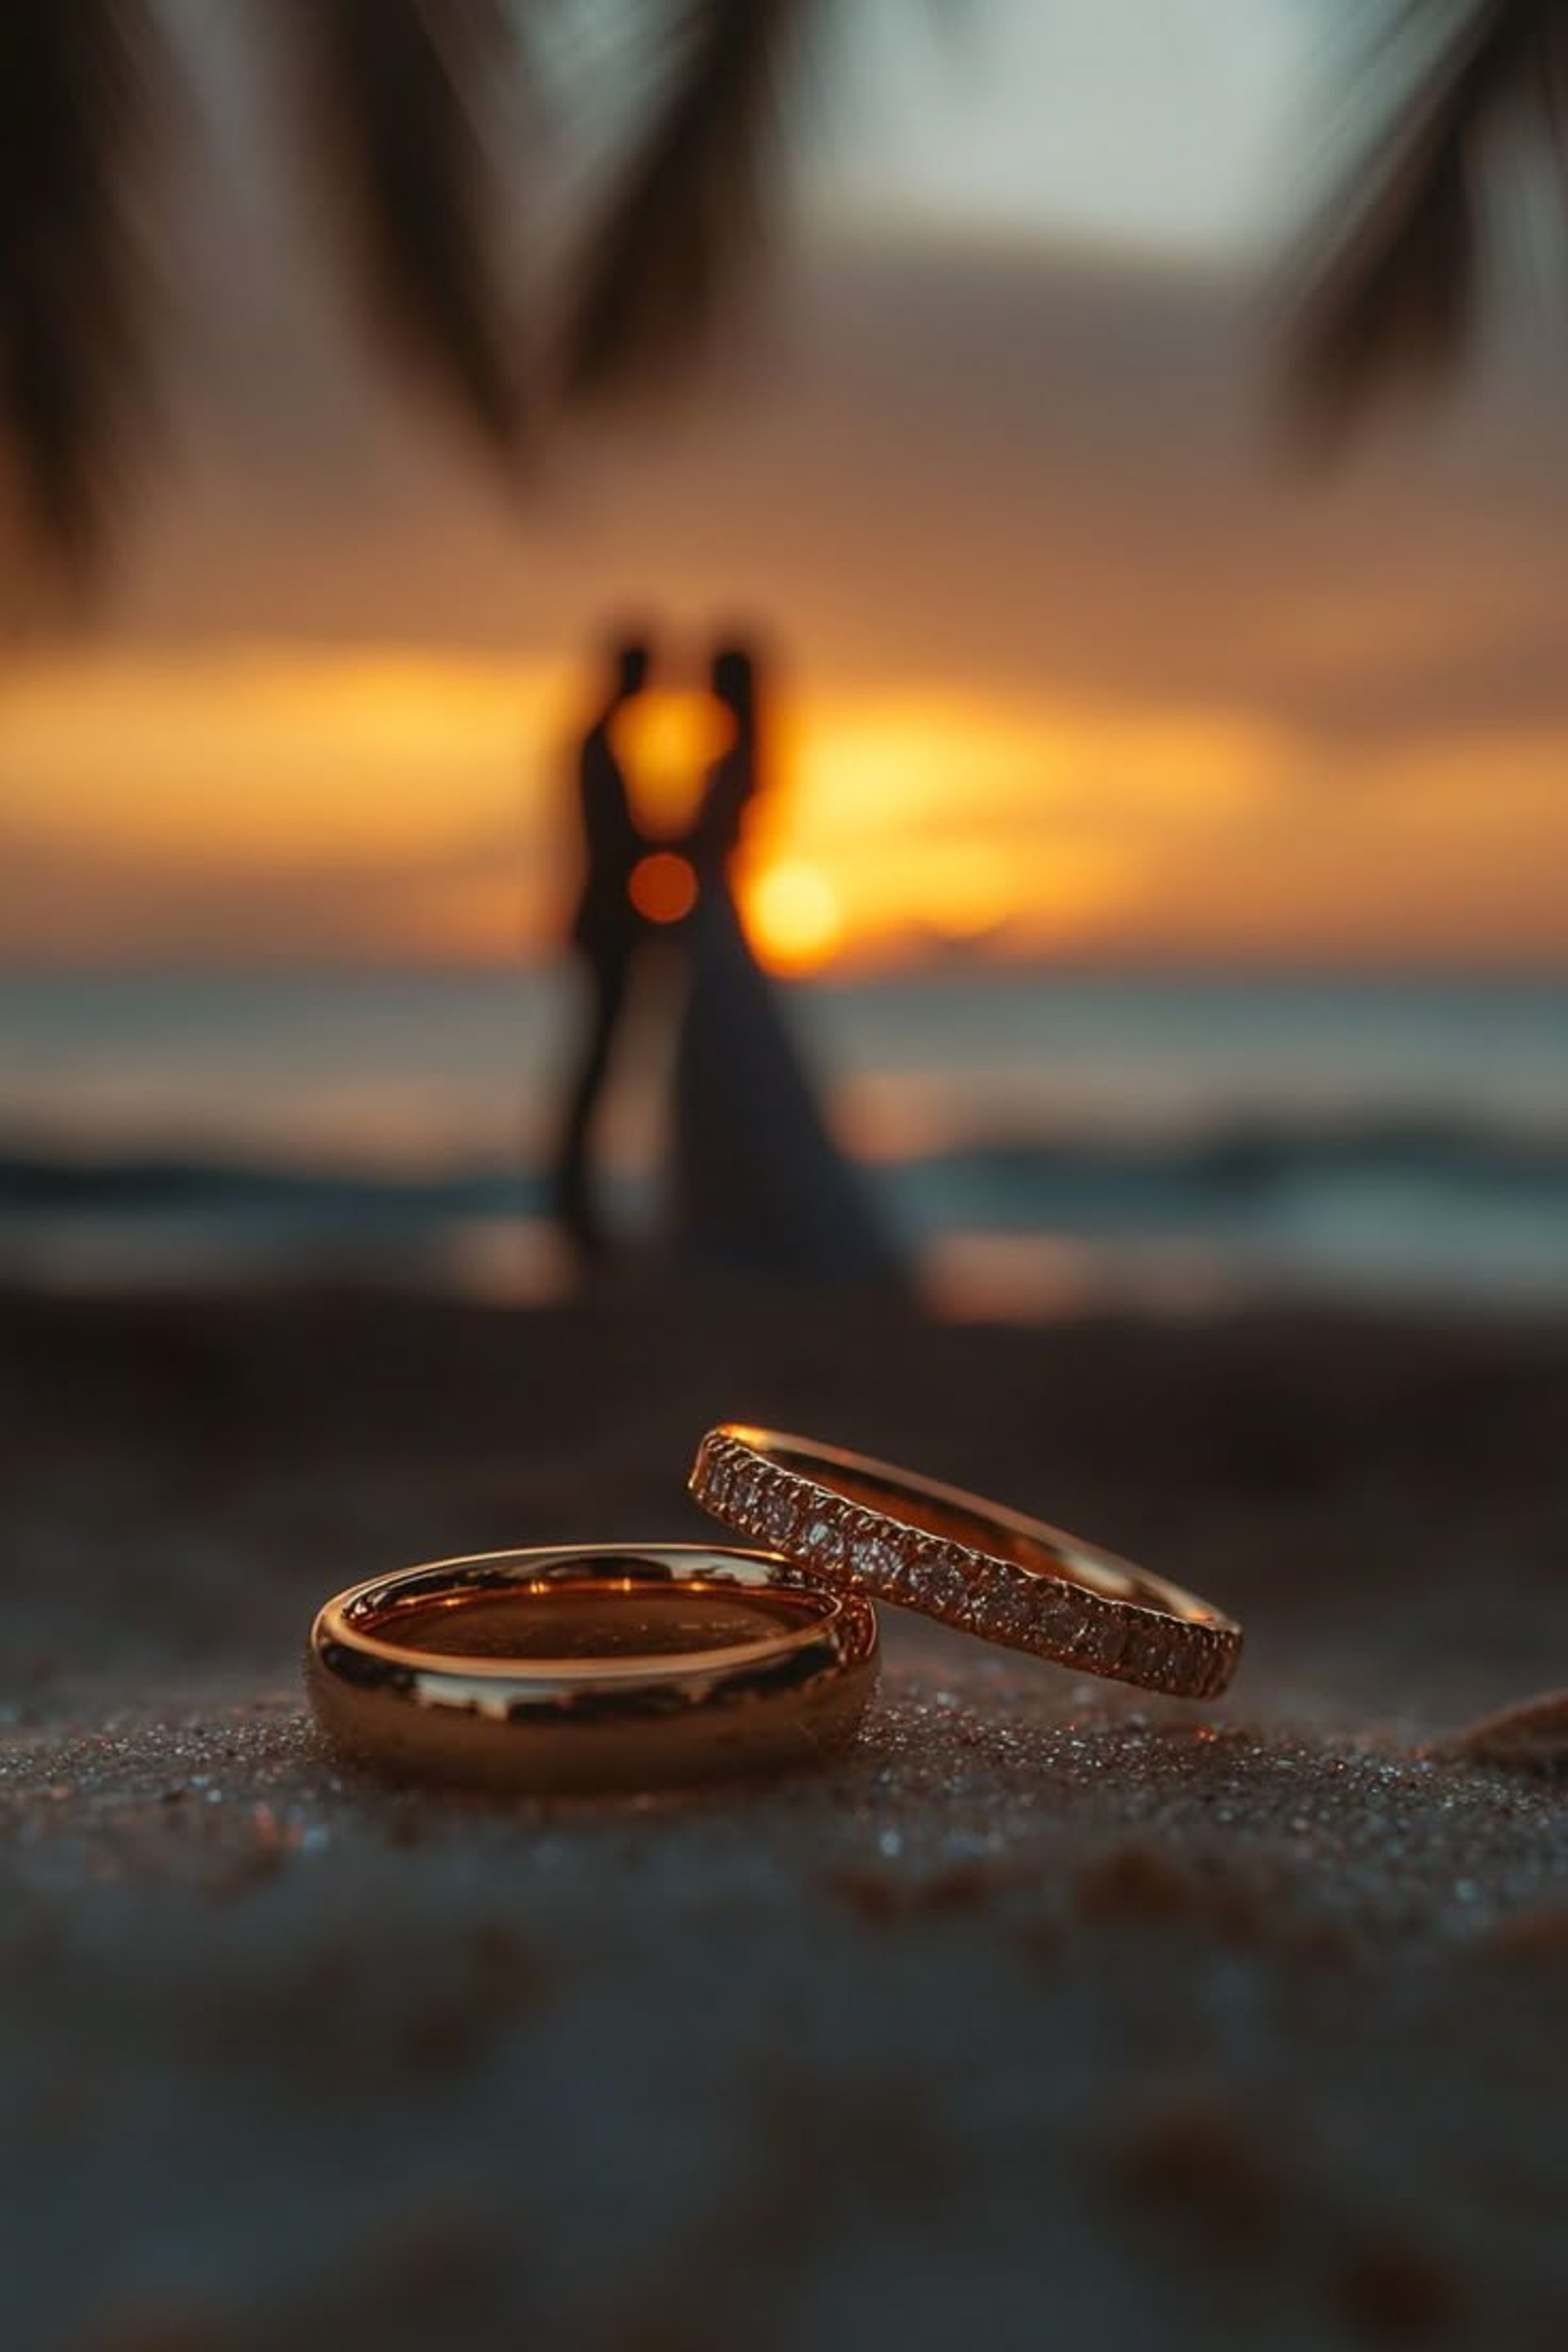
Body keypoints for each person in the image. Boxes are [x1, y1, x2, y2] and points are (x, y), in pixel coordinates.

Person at [670, 639, 903, 1284]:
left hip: (715, 919)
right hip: (714, 921)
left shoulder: (738, 759)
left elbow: (706, 843)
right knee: (726, 1071)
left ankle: (750, 1225)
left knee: (732, 1068)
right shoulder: (744, 757)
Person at [548, 630, 653, 1258]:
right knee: (594, 1068)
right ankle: (574, 1210)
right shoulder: (599, 747)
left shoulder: (600, 743)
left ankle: (577, 1206)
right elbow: (617, 847)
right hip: (610, 925)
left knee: (597, 1067)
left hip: (612, 923)